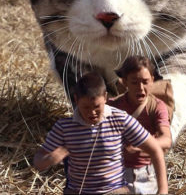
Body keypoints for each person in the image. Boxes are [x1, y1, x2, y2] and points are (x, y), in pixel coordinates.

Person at [34, 72, 168, 195]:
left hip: (114, 191)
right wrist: (49, 159)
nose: (92, 112)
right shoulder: (64, 127)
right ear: (76, 100)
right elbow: (38, 161)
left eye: (97, 106)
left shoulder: (120, 119)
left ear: (105, 97)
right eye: (86, 107)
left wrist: (163, 190)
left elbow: (155, 149)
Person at [109, 56, 172, 194]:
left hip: (146, 175)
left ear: (152, 81)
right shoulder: (113, 107)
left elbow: (166, 140)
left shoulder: (156, 106)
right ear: (124, 82)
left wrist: (142, 145)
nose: (141, 88)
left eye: (145, 82)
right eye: (134, 82)